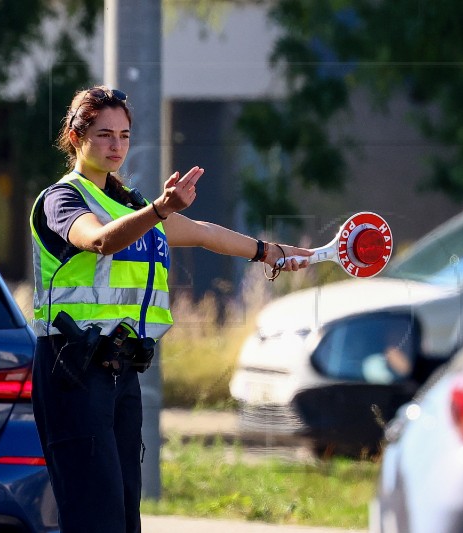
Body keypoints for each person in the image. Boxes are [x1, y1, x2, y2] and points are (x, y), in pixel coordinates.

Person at [29, 85, 313, 533]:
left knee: (124, 517)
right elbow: (100, 240)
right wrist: (161, 208)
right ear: (76, 136)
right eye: (104, 134)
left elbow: (202, 231)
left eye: (123, 135)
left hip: (120, 370)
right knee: (93, 517)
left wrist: (272, 252)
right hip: (73, 370)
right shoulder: (61, 200)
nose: (116, 145)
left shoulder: (130, 204)